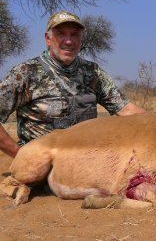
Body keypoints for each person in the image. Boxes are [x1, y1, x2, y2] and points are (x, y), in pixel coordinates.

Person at [0, 11, 145, 158]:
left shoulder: (92, 72)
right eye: (61, 34)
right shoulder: (26, 72)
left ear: (81, 39)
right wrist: (20, 156)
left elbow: (126, 109)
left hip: (85, 163)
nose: (68, 41)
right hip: (40, 168)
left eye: (74, 34)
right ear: (48, 39)